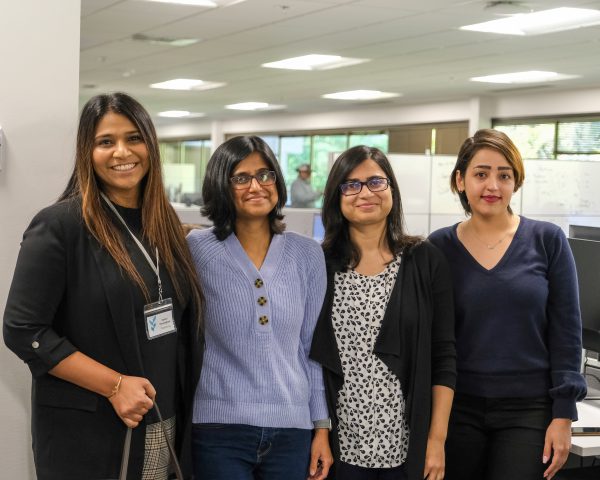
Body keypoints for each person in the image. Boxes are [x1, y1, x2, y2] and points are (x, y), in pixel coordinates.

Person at [3, 92, 204, 480]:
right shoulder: (60, 226)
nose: (122, 152)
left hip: (160, 420)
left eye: (134, 138)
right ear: (86, 151)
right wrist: (114, 386)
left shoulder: (163, 226)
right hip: (91, 431)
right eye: (105, 141)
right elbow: (22, 330)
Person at [428, 129, 587, 480]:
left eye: (504, 175)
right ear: (460, 180)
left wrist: (563, 414)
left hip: (528, 410)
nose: (493, 186)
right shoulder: (438, 248)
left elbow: (566, 332)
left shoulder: (547, 240)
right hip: (458, 408)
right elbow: (432, 338)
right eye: (481, 174)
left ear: (516, 182)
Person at [186, 135, 333, 480]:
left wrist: (321, 428)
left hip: (291, 430)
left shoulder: (307, 254)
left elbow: (311, 349)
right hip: (218, 429)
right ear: (221, 185)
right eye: (241, 178)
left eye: (265, 175)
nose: (256, 186)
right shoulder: (196, 250)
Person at [310, 145, 456, 480]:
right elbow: (312, 359)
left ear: (391, 189)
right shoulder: (320, 264)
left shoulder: (424, 260)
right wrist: (319, 431)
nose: (365, 193)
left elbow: (444, 356)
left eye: (376, 182)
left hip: (407, 444)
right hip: (339, 444)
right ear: (337, 196)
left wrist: (436, 440)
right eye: (351, 184)